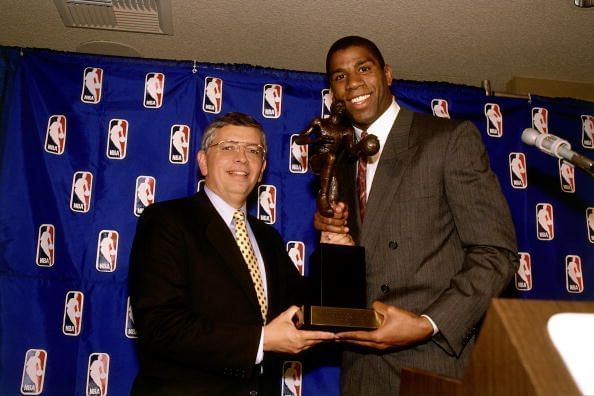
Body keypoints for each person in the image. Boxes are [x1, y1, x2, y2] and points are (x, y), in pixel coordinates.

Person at [315, 36, 519, 395]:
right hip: (362, 370)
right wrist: (339, 244)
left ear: (388, 74)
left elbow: (495, 252)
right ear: (332, 93)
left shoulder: (448, 138)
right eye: (339, 76)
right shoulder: (343, 162)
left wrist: (429, 324)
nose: (353, 83)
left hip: (433, 361)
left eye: (364, 68)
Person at [128, 112, 334, 395]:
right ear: (202, 161)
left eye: (253, 150)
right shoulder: (167, 222)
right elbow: (160, 327)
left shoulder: (268, 238)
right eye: (228, 147)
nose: (241, 158)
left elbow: (306, 308)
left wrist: (334, 246)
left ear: (262, 168)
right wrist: (261, 341)